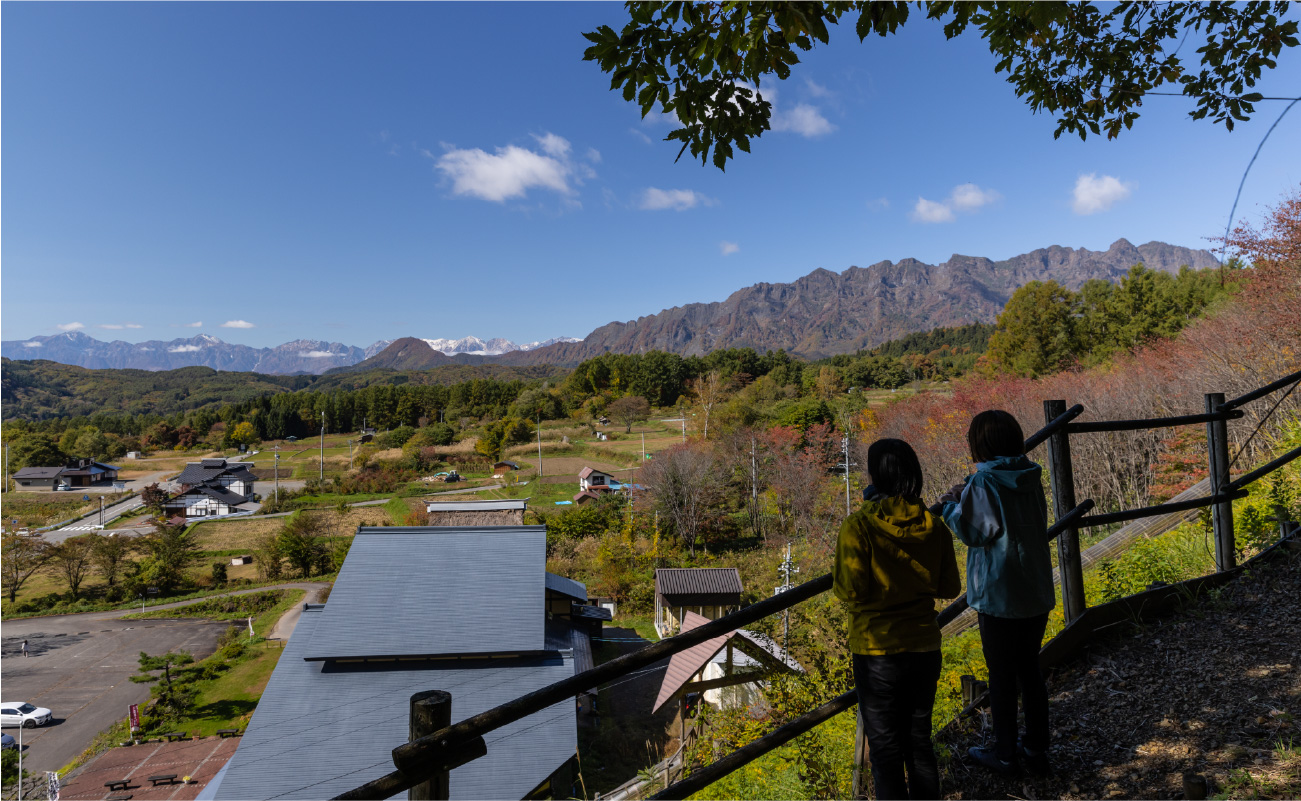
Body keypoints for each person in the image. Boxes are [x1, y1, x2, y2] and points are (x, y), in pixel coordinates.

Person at [834, 438, 961, 800]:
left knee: (886, 750)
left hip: (876, 650)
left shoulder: (858, 526)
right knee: (919, 740)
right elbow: (950, 586)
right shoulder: (933, 525)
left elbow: (850, 590)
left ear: (875, 475)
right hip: (923, 644)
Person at [940, 410, 1055, 777]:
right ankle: (1036, 750)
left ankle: (1005, 755)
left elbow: (975, 532)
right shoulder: (1030, 476)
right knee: (1030, 673)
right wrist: (968, 495)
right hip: (1034, 590)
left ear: (980, 444)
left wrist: (949, 507)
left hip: (999, 596)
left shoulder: (984, 482)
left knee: (1002, 678)